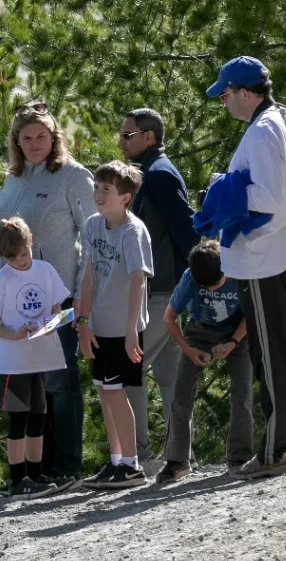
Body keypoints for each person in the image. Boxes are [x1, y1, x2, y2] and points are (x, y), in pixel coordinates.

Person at [201, 56, 286, 479]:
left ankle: (277, 449)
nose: (225, 102)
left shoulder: (264, 130)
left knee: (274, 357)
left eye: (226, 94)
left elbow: (266, 198)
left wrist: (222, 191)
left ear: (246, 93)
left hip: (265, 257)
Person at [0, 101, 95, 483]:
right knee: (25, 390)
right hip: (12, 308)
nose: (34, 144)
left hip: (54, 301)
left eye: (42, 137)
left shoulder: (73, 177)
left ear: (54, 137)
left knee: (59, 386)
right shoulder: (12, 180)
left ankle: (65, 467)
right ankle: (31, 471)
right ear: (16, 141)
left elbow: (92, 238)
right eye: (26, 137)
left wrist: (81, 297)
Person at [118, 108, 199, 471]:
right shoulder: (153, 172)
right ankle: (180, 455)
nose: (121, 142)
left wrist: (199, 271)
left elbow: (184, 227)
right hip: (166, 286)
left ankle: (140, 456)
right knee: (168, 376)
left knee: (128, 369)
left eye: (127, 136)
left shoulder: (158, 175)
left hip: (160, 288)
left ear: (148, 137)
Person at [76, 161, 154, 489]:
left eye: (106, 189)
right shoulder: (94, 226)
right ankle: (116, 461)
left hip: (124, 328)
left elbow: (138, 281)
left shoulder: (133, 231)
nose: (98, 194)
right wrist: (82, 322)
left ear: (125, 197)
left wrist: (130, 332)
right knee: (105, 393)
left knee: (117, 393)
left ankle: (132, 465)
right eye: (96, 187)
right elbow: (89, 275)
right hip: (99, 326)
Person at [0, 217, 71, 496]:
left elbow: (59, 311)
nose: (20, 262)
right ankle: (17, 477)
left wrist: (48, 326)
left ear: (30, 241)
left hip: (41, 356)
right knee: (18, 418)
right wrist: (15, 334)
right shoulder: (3, 278)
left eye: (23, 254)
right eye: (13, 259)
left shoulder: (45, 270)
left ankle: (37, 473)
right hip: (13, 361)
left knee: (38, 416)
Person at [156, 238, 253, 483]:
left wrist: (232, 343)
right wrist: (188, 350)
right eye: (205, 286)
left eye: (216, 284)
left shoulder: (241, 273)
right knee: (181, 397)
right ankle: (178, 461)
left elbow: (251, 315)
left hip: (237, 333)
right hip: (199, 332)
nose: (210, 290)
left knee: (243, 394)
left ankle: (240, 458)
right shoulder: (190, 277)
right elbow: (169, 318)